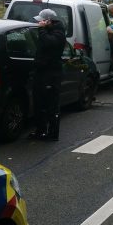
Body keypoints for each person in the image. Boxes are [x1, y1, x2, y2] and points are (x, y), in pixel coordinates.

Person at [29, 8, 66, 141]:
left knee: (51, 105)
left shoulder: (58, 33)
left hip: (51, 74)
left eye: (42, 21)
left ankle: (52, 133)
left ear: (49, 21)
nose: (40, 24)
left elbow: (49, 42)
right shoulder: (50, 31)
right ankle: (40, 130)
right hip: (42, 72)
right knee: (40, 104)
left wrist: (42, 30)